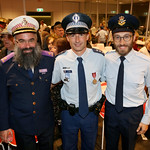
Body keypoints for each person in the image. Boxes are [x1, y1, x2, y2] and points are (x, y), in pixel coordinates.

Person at [52, 12, 105, 150]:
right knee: (68, 147)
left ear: (88, 36)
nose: (77, 39)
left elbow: (107, 80)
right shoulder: (60, 59)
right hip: (68, 114)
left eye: (81, 34)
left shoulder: (100, 58)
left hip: (91, 114)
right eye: (72, 35)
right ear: (67, 37)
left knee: (89, 146)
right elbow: (53, 83)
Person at [0, 15, 55, 150]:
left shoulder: (50, 60)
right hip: (21, 125)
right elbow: (2, 100)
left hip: (46, 122)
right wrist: (4, 127)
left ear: (37, 39)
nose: (28, 46)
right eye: (22, 41)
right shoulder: (5, 66)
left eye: (31, 40)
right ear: (15, 42)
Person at [104, 13, 150, 150]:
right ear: (112, 38)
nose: (122, 42)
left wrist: (146, 119)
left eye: (126, 37)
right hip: (111, 110)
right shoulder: (107, 59)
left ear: (134, 37)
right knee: (110, 146)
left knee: (129, 146)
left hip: (133, 114)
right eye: (117, 37)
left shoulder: (146, 62)